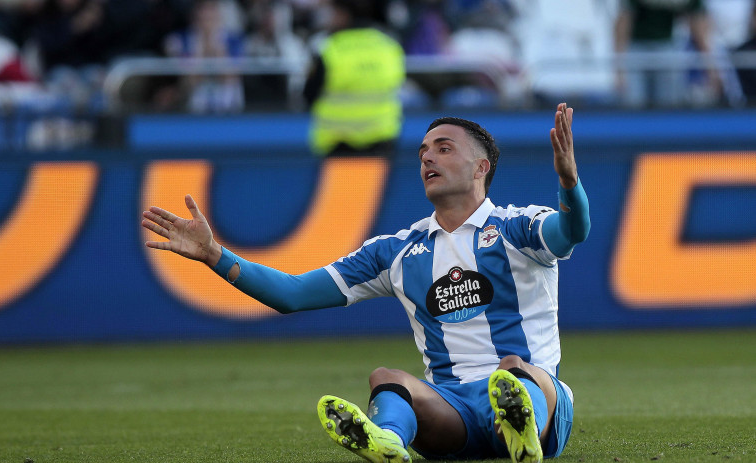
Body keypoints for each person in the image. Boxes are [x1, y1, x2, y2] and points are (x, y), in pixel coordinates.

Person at [141, 102, 590, 463]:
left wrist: (570, 185)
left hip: (543, 402)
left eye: (444, 148)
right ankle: (389, 441)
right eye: (423, 152)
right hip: (454, 414)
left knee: (513, 370)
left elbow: (571, 231)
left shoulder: (517, 228)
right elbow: (292, 294)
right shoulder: (394, 251)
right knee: (386, 377)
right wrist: (215, 255)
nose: (428, 157)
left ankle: (520, 426)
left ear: (481, 168)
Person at [304, 0, 404, 157]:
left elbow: (309, 95)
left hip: (337, 143)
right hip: (381, 141)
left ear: (344, 15)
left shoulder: (328, 48)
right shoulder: (388, 46)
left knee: (343, 183)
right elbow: (396, 85)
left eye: (333, 13)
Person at [613, 0, 722, 108]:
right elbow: (623, 22)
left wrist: (710, 67)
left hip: (667, 47)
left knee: (668, 105)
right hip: (636, 49)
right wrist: (620, 69)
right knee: (634, 104)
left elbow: (698, 26)